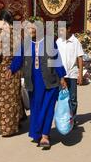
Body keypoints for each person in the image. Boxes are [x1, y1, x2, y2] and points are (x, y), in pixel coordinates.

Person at [8, 16, 67, 150]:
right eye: (29, 27)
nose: (30, 29)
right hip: (33, 82)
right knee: (36, 109)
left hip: (50, 80)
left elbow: (56, 59)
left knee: (48, 107)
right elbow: (18, 58)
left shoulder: (49, 41)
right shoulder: (26, 43)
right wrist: (11, 69)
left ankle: (45, 135)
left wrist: (62, 77)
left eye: (33, 26)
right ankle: (38, 132)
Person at [0, 9, 22, 137]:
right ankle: (14, 126)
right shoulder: (17, 34)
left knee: (1, 99)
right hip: (14, 70)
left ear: (2, 21)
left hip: (3, 71)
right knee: (13, 99)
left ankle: (6, 129)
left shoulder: (0, 36)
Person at [56, 21, 84, 124]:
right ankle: (63, 118)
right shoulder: (58, 42)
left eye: (62, 29)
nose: (61, 31)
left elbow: (80, 58)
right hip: (61, 75)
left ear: (68, 29)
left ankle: (72, 118)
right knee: (62, 98)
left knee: (73, 98)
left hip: (72, 74)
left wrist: (80, 74)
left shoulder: (75, 42)